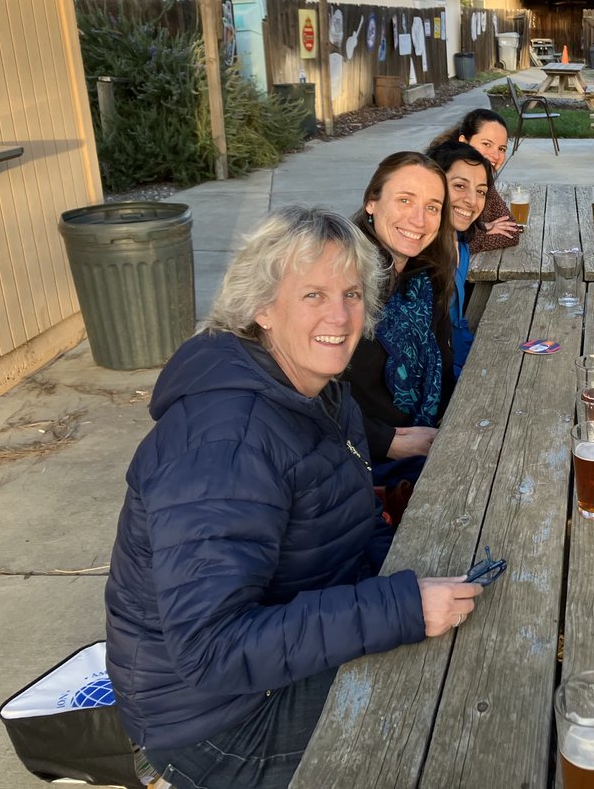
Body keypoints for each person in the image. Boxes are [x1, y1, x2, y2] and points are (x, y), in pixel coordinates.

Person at [105, 206, 482, 789]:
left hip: (270, 668)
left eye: (353, 293)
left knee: (466, 643)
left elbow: (347, 524)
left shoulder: (322, 393)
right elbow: (212, 649)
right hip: (216, 724)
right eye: (313, 294)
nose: (340, 315)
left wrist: (408, 574)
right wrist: (399, 607)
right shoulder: (225, 441)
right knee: (446, 711)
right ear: (261, 308)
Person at [348, 151, 456, 505]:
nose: (418, 219)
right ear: (371, 203)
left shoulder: (424, 280)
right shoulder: (344, 282)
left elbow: (443, 366)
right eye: (405, 200)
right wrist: (387, 441)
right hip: (362, 469)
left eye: (432, 207)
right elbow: (306, 396)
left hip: (427, 440)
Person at [428, 140, 493, 378]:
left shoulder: (461, 245)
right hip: (442, 376)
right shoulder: (421, 259)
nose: (472, 201)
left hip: (461, 353)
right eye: (459, 186)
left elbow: (457, 325)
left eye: (481, 191)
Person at [427, 109, 519, 254]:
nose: (496, 155)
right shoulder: (437, 174)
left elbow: (511, 231)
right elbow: (434, 243)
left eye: (501, 149)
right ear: (463, 142)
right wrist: (482, 230)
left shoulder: (482, 177)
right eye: (487, 144)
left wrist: (472, 233)